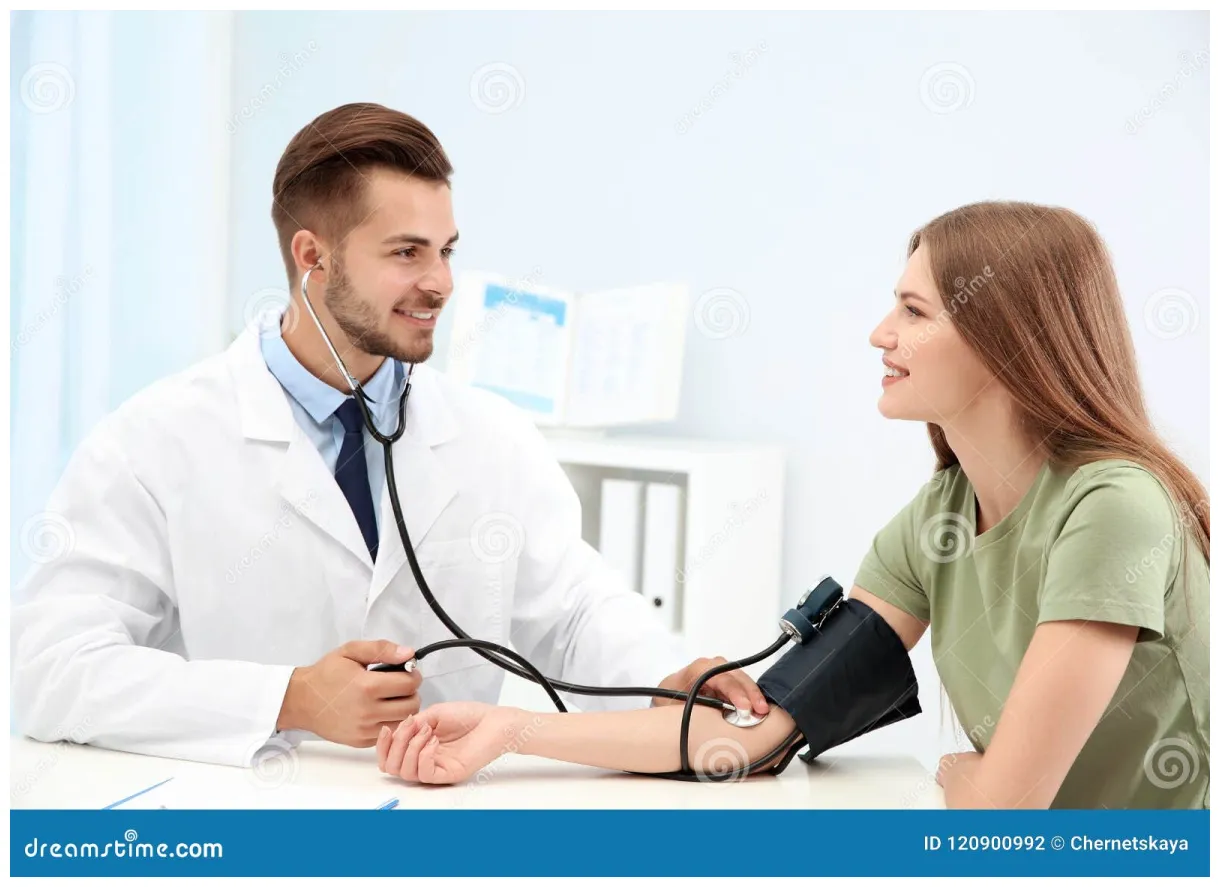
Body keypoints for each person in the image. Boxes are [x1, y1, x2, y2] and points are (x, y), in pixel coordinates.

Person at [377, 201, 1210, 809]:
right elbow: (761, 731)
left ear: (1006, 339)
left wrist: (973, 780)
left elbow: (1002, 812)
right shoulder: (938, 522)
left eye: (913, 311)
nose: (879, 334)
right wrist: (509, 732)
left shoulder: (1115, 506)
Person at [10, 102, 768, 768]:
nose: (440, 282)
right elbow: (51, 672)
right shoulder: (153, 440)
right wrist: (290, 698)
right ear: (313, 258)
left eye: (446, 250)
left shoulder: (490, 437)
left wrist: (664, 673)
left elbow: (574, 609)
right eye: (407, 252)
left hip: (444, 822)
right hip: (244, 826)